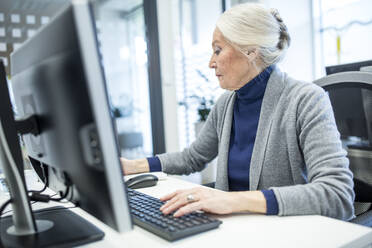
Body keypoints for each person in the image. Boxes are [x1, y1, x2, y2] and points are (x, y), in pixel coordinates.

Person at [121, 3, 355, 220]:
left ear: (251, 51)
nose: (211, 63)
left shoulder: (306, 99)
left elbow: (336, 193)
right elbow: (192, 158)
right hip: (237, 228)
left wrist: (233, 201)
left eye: (218, 50)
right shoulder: (226, 103)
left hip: (287, 231)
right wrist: (132, 166)